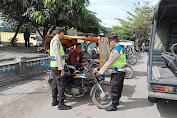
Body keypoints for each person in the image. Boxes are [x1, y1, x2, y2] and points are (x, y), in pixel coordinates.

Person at [98, 35, 126, 111]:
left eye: (109, 42)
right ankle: (116, 102)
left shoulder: (116, 50)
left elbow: (110, 62)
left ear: (113, 41)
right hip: (121, 72)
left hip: (117, 73)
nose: (109, 44)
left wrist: (101, 71)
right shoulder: (121, 48)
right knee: (119, 87)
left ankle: (114, 105)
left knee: (114, 88)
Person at [50, 27, 72, 110]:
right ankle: (61, 103)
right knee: (61, 85)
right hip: (57, 67)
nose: (63, 36)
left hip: (54, 66)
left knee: (55, 83)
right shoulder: (56, 41)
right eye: (64, 34)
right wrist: (62, 69)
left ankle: (54, 100)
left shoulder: (54, 40)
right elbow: (57, 56)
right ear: (61, 33)